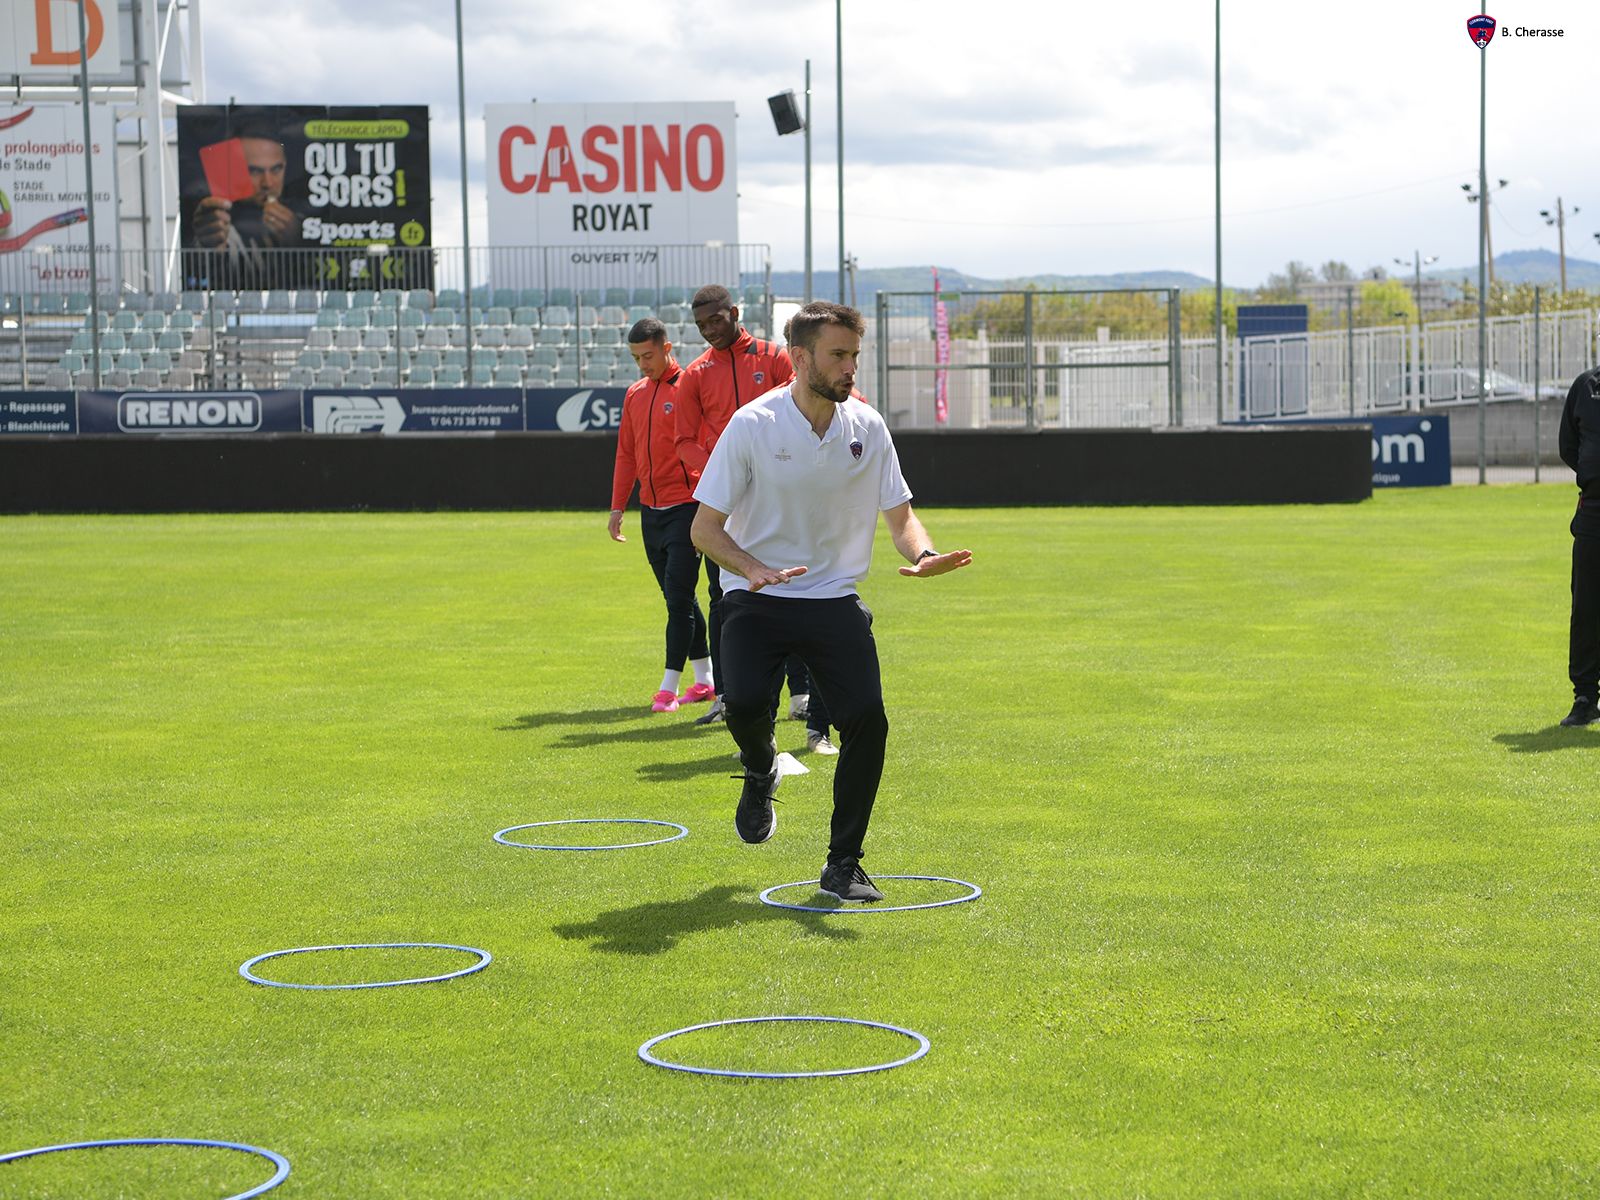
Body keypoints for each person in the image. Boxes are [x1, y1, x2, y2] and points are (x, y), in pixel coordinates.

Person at [690, 301, 972, 902]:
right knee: (741, 705)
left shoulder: (867, 428)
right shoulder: (752, 425)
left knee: (867, 719)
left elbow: (902, 518)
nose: (850, 368)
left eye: (854, 356)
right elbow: (705, 529)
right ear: (800, 359)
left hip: (831, 597)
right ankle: (761, 767)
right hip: (754, 596)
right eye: (838, 355)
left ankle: (843, 863)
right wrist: (753, 568)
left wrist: (923, 555)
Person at [673, 284, 797, 726]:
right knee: (723, 597)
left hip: (780, 494)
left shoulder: (775, 358)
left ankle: (800, 695)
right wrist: (721, 476)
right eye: (701, 325)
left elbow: (799, 414)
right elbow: (684, 440)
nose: (709, 331)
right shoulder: (694, 374)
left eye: (716, 320)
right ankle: (726, 696)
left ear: (735, 312)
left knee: (794, 586)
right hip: (726, 506)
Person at [609, 318, 717, 713]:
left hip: (687, 509)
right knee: (680, 600)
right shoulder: (635, 394)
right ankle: (705, 680)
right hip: (650, 514)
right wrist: (618, 505)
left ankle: (668, 689)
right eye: (636, 358)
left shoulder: (689, 387)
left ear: (667, 348)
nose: (643, 364)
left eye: (648, 356)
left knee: (677, 601)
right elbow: (626, 454)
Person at [188, 124, 306, 287]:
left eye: (276, 169)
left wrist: (300, 244)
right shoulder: (224, 225)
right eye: (255, 171)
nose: (268, 183)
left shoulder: (301, 222)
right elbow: (214, 261)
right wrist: (208, 245)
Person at [1559, 364, 1600, 726]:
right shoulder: (1584, 387)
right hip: (1594, 513)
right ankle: (1585, 697)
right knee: (1586, 608)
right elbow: (1568, 447)